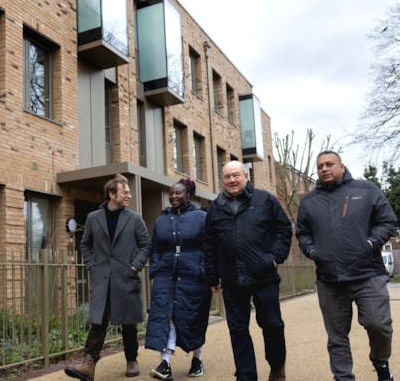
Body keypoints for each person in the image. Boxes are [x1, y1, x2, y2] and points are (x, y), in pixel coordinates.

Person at [296, 151, 398, 381]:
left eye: (329, 164)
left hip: (367, 274)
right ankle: (343, 377)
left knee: (379, 324)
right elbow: (302, 233)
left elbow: (388, 220)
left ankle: (381, 365)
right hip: (329, 280)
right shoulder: (309, 201)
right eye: (320, 166)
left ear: (342, 166)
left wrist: (370, 243)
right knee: (337, 336)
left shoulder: (366, 190)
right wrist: (312, 251)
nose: (324, 169)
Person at [202, 160, 293, 381]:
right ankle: (246, 376)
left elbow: (283, 229)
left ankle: (277, 365)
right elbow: (209, 244)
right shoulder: (215, 208)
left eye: (236, 175)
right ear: (222, 180)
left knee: (272, 324)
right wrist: (212, 275)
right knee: (238, 330)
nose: (232, 180)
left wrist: (274, 258)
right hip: (232, 279)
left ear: (246, 176)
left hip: (264, 276)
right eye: (227, 177)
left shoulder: (265, 200)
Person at [65, 174, 151, 381]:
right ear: (112, 195)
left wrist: (135, 266)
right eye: (125, 192)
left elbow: (146, 245)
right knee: (98, 322)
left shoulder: (135, 218)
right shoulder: (94, 218)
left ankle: (132, 360)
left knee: (128, 323)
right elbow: (85, 244)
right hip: (102, 278)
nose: (129, 195)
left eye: (129, 192)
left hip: (126, 277)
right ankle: (88, 364)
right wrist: (93, 265)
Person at [146, 179, 211, 380]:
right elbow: (155, 247)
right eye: (171, 193)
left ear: (188, 194)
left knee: (194, 316)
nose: (173, 196)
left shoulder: (202, 217)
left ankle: (197, 359)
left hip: (194, 275)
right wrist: (156, 267)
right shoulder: (162, 220)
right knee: (167, 315)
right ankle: (165, 363)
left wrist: (204, 270)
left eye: (178, 193)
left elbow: (210, 247)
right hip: (166, 275)